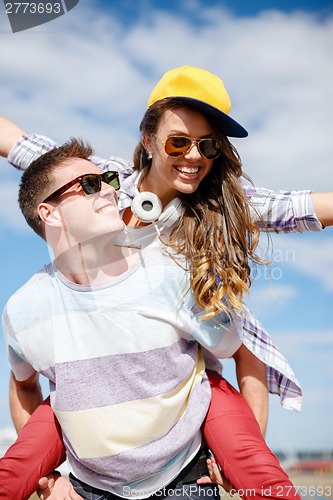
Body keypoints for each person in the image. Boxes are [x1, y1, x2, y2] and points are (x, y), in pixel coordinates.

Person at [1, 64, 330, 497]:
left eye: (208, 145)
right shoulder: (99, 181)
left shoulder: (218, 207)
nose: (194, 156)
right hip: (94, 370)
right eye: (178, 141)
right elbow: (19, 145)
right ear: (148, 141)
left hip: (176, 374)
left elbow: (300, 208)